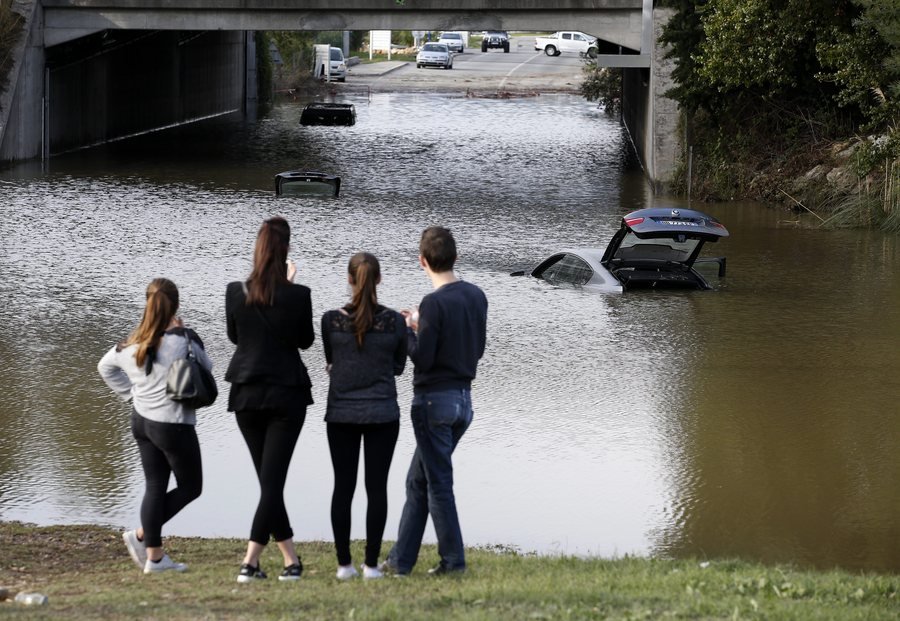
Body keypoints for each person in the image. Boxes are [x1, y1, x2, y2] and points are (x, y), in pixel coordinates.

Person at [384, 226, 488, 576]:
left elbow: (424, 359)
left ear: (422, 261)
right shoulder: (476, 295)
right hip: (464, 402)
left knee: (437, 483)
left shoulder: (433, 302)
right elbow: (476, 348)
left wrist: (409, 331)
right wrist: (420, 324)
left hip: (434, 403)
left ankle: (453, 562)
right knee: (419, 481)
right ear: (455, 257)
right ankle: (401, 561)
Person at [225, 216, 314, 583]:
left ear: (257, 250)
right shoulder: (298, 294)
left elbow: (234, 337)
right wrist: (288, 289)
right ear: (286, 250)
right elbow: (305, 341)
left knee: (268, 483)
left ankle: (291, 561)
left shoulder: (235, 291)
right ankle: (250, 563)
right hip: (285, 396)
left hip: (246, 394)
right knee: (272, 484)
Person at [98, 278, 207, 574]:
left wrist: (130, 394)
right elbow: (206, 369)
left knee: (155, 485)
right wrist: (183, 333)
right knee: (191, 487)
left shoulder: (131, 341)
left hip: (141, 422)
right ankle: (144, 539)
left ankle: (154, 557)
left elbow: (104, 367)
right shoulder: (184, 338)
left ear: (148, 304)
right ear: (176, 305)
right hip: (172, 425)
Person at [321, 252, 407, 581]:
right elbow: (398, 367)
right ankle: (371, 565)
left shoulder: (331, 320)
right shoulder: (395, 323)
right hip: (383, 413)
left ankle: (344, 564)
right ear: (379, 280)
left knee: (343, 487)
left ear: (349, 279)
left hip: (341, 413)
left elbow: (332, 360)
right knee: (377, 488)